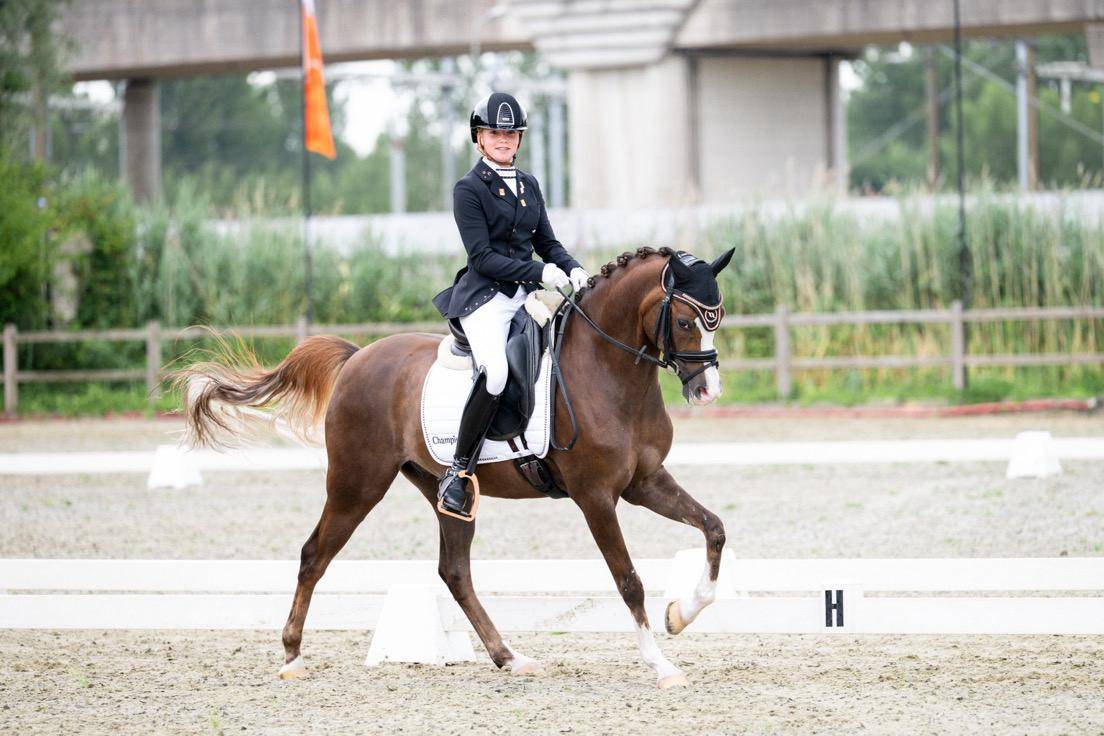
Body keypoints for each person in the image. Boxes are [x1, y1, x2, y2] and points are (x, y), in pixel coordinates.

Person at [431, 91, 589, 520]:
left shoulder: (529, 184)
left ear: (519, 138)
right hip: (486, 298)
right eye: (493, 132)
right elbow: (481, 256)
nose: (502, 139)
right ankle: (458, 471)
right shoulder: (468, 188)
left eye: (510, 133)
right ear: (479, 138)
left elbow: (547, 242)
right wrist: (540, 273)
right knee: (497, 371)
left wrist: (573, 268)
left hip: (525, 297)